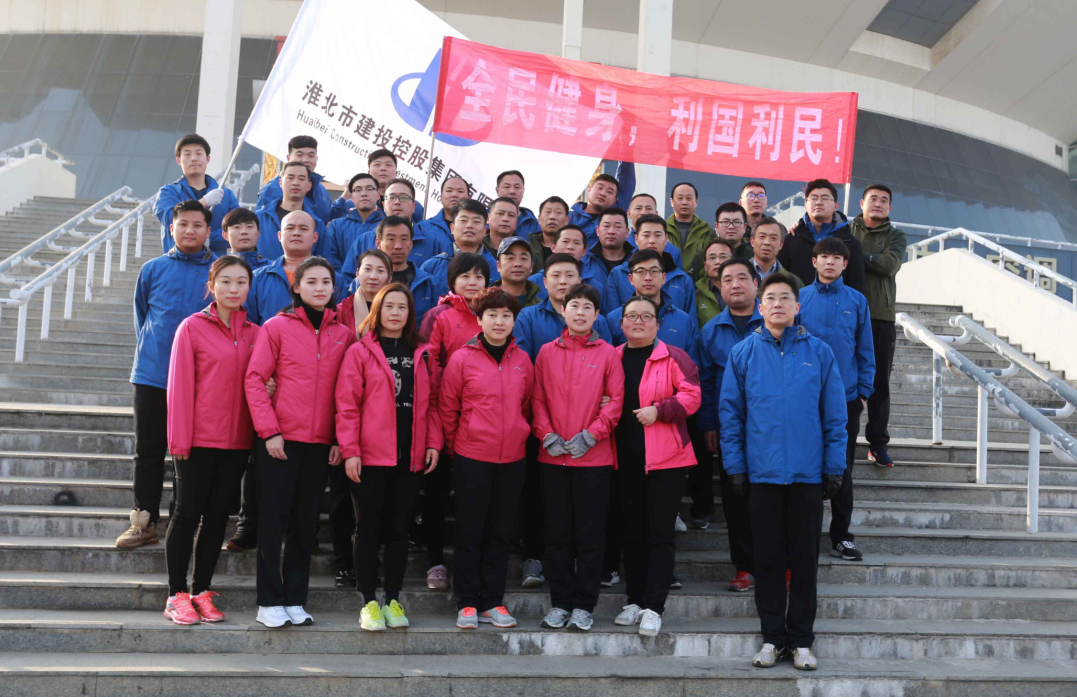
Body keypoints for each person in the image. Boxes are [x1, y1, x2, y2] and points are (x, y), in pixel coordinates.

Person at [719, 272, 847, 671]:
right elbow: (730, 416)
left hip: (807, 476)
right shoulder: (743, 353)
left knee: (805, 563)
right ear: (760, 307)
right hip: (762, 476)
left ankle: (802, 641)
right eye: (771, 298)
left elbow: (835, 416)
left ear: (797, 306)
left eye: (785, 297)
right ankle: (773, 639)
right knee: (769, 562)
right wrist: (736, 467)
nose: (778, 304)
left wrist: (834, 467)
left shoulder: (820, 353)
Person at [245, 257, 355, 628]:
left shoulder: (344, 334)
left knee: (305, 525)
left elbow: (347, 393)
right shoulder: (276, 327)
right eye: (311, 282)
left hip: (320, 443)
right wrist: (269, 431)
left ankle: (295, 599)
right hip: (279, 440)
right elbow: (255, 379)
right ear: (296, 286)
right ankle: (268, 601)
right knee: (273, 521)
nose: (320, 288)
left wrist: (339, 438)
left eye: (326, 282)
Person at [335, 283, 443, 631]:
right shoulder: (360, 351)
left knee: (399, 531)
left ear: (410, 314)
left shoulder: (423, 354)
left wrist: (433, 442)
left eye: (402, 307)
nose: (395, 313)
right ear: (376, 311)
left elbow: (434, 404)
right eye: (389, 306)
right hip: (369, 457)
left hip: (409, 457)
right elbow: (347, 406)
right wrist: (350, 451)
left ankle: (393, 600)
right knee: (367, 529)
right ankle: (368, 602)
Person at [163, 255, 259, 625]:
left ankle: (201, 590)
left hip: (236, 442)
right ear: (211, 286)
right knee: (187, 514)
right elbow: (179, 387)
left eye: (241, 282)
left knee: (218, 518)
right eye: (226, 282)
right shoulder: (192, 327)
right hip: (197, 440)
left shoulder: (255, 333)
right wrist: (179, 441)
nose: (233, 289)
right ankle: (176, 594)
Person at [117, 200, 216, 549]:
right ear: (171, 228)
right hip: (153, 374)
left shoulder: (218, 271)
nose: (190, 230)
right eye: (183, 224)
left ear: (208, 231)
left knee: (191, 453)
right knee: (148, 451)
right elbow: (142, 317)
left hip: (203, 378)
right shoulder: (153, 269)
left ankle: (182, 521)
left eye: (197, 225)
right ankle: (144, 522)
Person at [439, 287, 534, 630]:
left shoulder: (523, 360)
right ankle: (467, 602)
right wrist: (460, 445)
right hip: (472, 456)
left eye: (506, 315)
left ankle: (493, 602)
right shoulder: (462, 358)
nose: (499, 321)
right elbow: (448, 408)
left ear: (514, 321)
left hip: (513, 458)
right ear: (479, 320)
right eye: (492, 315)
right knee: (470, 531)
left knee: (500, 531)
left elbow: (526, 405)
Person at [533, 283, 624, 632]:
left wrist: (591, 436)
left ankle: (584, 606)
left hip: (594, 460)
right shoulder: (546, 353)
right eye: (574, 305)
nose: (581, 312)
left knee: (590, 536)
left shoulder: (608, 354)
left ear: (597, 315)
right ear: (563, 310)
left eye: (588, 307)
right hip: (553, 458)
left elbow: (615, 401)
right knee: (557, 535)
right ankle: (559, 604)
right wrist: (547, 435)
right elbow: (537, 399)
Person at [612, 296, 700, 637]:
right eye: (631, 316)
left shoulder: (674, 356)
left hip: (666, 460)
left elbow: (692, 396)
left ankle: (654, 606)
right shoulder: (613, 357)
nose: (639, 321)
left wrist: (660, 410)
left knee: (659, 534)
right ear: (621, 322)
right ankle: (635, 600)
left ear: (658, 324)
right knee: (631, 532)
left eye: (646, 316)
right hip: (623, 458)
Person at [798, 238, 875, 563]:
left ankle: (841, 537)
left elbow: (866, 349)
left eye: (836, 258)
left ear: (845, 264)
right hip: (804, 399)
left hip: (845, 399)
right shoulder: (799, 298)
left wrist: (863, 392)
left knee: (842, 468)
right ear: (814, 261)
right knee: (806, 467)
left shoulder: (857, 301)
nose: (829, 262)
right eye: (824, 256)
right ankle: (805, 536)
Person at [417, 252, 489, 591]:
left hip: (480, 420)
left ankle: (467, 564)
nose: (472, 282)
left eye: (479, 276)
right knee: (436, 493)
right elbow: (428, 362)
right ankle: (434, 561)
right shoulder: (439, 316)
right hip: (441, 414)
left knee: (472, 499)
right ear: (452, 281)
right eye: (465, 276)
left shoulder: (491, 314)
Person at [697, 259, 763, 592]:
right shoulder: (711, 331)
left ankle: (782, 565)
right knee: (736, 500)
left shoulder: (775, 322)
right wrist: (709, 424)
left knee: (775, 498)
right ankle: (745, 567)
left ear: (756, 283)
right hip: (730, 429)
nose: (735, 284)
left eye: (742, 278)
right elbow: (705, 383)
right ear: (719, 288)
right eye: (727, 280)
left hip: (771, 429)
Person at [849, 184, 906, 469]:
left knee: (879, 383)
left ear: (890, 207)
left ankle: (878, 444)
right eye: (873, 199)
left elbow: (889, 265)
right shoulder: (846, 231)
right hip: (846, 315)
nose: (878, 203)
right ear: (861, 203)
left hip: (881, 316)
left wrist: (856, 255)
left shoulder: (896, 235)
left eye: (884, 200)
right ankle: (843, 439)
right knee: (844, 378)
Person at [244, 210, 345, 325]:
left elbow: (338, 323)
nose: (296, 233)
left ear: (315, 237)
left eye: (303, 229)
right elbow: (248, 324)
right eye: (290, 228)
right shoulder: (257, 278)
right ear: (279, 236)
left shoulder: (333, 279)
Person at [513, 253, 613, 360]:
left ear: (579, 281)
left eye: (570, 275)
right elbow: (520, 360)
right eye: (556, 275)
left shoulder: (597, 320)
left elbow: (606, 359)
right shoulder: (528, 317)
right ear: (545, 282)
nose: (563, 282)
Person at [777, 178, 866, 295]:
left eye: (825, 198)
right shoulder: (791, 239)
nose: (819, 202)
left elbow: (857, 285)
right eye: (814, 198)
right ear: (805, 205)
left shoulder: (850, 242)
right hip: (798, 304)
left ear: (836, 206)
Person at [343, 179, 447, 278]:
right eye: (391, 197)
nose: (397, 202)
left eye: (404, 197)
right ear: (383, 205)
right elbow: (349, 279)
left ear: (414, 206)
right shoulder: (364, 241)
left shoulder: (431, 242)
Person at [155, 134, 239, 255]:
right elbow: (171, 220)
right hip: (177, 261)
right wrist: (203, 202)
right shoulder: (168, 193)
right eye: (187, 154)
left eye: (199, 153)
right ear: (179, 160)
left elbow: (236, 231)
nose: (194, 158)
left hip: (214, 264)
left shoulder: (226, 195)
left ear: (208, 159)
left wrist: (208, 238)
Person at [605, 215, 696, 317]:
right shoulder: (618, 275)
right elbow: (613, 319)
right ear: (636, 239)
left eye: (657, 235)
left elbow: (690, 322)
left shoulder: (682, 280)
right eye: (646, 235)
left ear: (666, 239)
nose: (652, 241)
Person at [420, 199, 501, 299]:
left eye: (476, 221)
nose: (469, 226)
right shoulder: (431, 267)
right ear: (452, 228)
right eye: (463, 220)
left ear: (485, 230)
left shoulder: (497, 269)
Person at [366, 216, 438, 323]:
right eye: (391, 239)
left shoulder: (428, 284)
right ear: (378, 243)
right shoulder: (365, 282)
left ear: (411, 244)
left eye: (404, 239)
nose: (398, 246)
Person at [255, 162, 331, 261]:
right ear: (280, 183)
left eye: (301, 179)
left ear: (309, 186)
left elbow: (324, 263)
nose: (295, 183)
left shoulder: (317, 224)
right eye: (290, 178)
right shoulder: (258, 219)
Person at [256, 135, 333, 224]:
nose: (305, 160)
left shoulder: (322, 191)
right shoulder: (271, 190)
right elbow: (263, 224)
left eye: (311, 155)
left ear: (316, 159)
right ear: (288, 158)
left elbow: (327, 220)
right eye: (299, 155)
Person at [530, 225, 607, 300]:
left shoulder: (596, 286)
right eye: (565, 241)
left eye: (576, 243)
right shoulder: (533, 282)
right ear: (553, 247)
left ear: (584, 251)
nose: (570, 247)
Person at [325, 173, 384, 272]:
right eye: (358, 190)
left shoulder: (387, 226)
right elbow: (330, 257)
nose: (364, 193)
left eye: (369, 189)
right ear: (351, 197)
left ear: (378, 195)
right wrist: (344, 279)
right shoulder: (336, 226)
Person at [569, 164, 636, 245]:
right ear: (589, 190)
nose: (603, 193)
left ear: (614, 200)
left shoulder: (615, 215)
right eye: (600, 188)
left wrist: (625, 155)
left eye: (609, 192)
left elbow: (626, 175)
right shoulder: (569, 217)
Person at [665, 182, 717, 279]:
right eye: (680, 198)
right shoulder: (662, 230)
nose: (684, 202)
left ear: (696, 201)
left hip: (698, 285)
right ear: (672, 201)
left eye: (689, 198)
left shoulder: (707, 231)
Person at [415, 175, 471, 260]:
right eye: (449, 191)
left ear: (469, 198)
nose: (454, 195)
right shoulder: (422, 227)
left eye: (460, 191)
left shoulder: (477, 228)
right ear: (441, 197)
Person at [368, 148, 425, 222]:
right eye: (377, 165)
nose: (383, 168)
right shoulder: (359, 203)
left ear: (396, 173)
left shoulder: (413, 206)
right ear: (369, 173)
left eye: (388, 165)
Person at [751, 217, 801, 290]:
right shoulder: (737, 274)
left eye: (773, 238)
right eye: (762, 236)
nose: (767, 242)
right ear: (752, 242)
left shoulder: (794, 282)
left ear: (781, 245)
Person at [694, 239, 734, 328]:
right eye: (712, 257)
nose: (717, 262)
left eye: (723, 256)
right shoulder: (696, 295)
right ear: (705, 266)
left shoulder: (744, 290)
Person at [492, 236, 541, 308]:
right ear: (499, 266)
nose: (517, 264)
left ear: (531, 266)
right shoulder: (486, 301)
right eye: (510, 258)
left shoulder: (540, 307)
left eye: (523, 258)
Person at [529, 195, 570, 270]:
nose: (552, 217)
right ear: (539, 219)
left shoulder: (574, 248)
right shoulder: (528, 248)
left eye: (558, 212)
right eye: (547, 212)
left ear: (567, 220)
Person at [496, 170, 540, 236]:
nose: (512, 191)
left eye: (517, 187)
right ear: (497, 190)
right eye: (507, 187)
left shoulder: (535, 225)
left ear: (523, 191)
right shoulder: (483, 219)